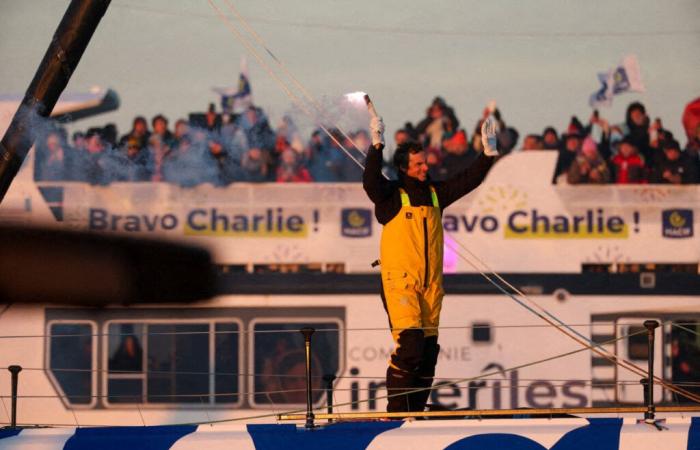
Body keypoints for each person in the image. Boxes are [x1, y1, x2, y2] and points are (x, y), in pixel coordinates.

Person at [362, 113, 498, 413]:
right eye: (419, 164)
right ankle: (397, 414)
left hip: (430, 287)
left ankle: (415, 411)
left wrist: (488, 155)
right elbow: (370, 181)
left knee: (427, 352)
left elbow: (467, 180)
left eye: (426, 163)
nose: (426, 167)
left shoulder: (436, 193)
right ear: (403, 168)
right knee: (409, 346)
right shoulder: (392, 196)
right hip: (401, 283)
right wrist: (377, 144)